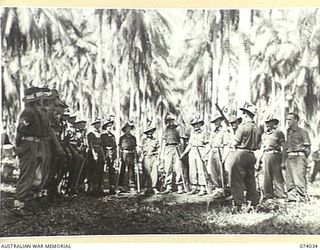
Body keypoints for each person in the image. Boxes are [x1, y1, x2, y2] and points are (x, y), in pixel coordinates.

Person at [14, 87, 43, 211]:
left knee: (33, 174)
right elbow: (20, 129)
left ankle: (26, 201)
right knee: (26, 174)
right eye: (40, 98)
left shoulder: (35, 112)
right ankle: (19, 204)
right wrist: (19, 147)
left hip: (35, 144)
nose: (42, 100)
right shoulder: (29, 112)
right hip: (28, 144)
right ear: (36, 100)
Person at [230, 102, 261, 212]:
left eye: (243, 113)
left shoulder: (242, 127)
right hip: (251, 154)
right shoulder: (257, 128)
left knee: (237, 179)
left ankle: (238, 205)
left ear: (247, 115)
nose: (242, 115)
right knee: (250, 180)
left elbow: (234, 143)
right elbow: (258, 145)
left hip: (241, 153)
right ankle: (253, 204)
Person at [284, 112, 311, 202]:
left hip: (299, 157)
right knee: (289, 179)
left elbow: (307, 147)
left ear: (296, 120)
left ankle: (303, 198)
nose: (288, 121)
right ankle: (292, 199)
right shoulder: (288, 131)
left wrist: (303, 159)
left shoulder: (303, 131)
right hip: (290, 157)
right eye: (287, 119)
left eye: (290, 119)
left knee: (299, 179)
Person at [260, 114, 286, 200]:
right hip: (266, 155)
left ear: (273, 123)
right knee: (266, 177)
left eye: (269, 122)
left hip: (276, 155)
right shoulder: (264, 135)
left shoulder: (278, 133)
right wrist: (258, 161)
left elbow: (284, 147)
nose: (267, 124)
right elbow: (262, 148)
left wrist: (283, 161)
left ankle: (280, 195)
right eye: (266, 122)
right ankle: (268, 196)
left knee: (277, 176)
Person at [180, 115, 207, 196]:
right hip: (192, 151)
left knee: (200, 169)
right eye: (194, 124)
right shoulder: (192, 133)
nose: (196, 126)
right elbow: (190, 144)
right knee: (192, 169)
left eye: (197, 124)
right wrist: (183, 154)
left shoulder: (204, 133)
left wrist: (205, 155)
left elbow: (207, 144)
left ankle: (202, 188)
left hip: (201, 151)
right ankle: (194, 187)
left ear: (200, 124)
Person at [162, 113, 184, 194]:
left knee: (178, 168)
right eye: (169, 120)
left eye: (172, 120)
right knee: (168, 167)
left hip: (176, 148)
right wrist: (162, 153)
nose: (170, 122)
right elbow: (163, 141)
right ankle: (169, 186)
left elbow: (181, 140)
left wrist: (181, 151)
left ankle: (180, 186)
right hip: (168, 148)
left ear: (174, 120)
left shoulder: (178, 128)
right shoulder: (165, 129)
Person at [207, 112, 225, 195]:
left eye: (217, 121)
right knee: (213, 170)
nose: (216, 123)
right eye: (214, 122)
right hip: (213, 150)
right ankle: (217, 188)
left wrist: (224, 155)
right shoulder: (213, 132)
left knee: (220, 170)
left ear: (221, 121)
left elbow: (225, 143)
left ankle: (222, 188)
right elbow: (210, 144)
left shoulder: (224, 130)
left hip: (220, 150)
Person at [118, 121, 138, 194]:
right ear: (125, 130)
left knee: (131, 171)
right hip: (124, 154)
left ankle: (132, 186)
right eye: (127, 129)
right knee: (122, 170)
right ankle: (120, 186)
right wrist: (119, 157)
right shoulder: (121, 138)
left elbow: (135, 148)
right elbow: (120, 148)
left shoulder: (133, 138)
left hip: (131, 154)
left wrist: (136, 157)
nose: (128, 130)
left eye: (129, 128)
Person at [87, 118, 104, 196]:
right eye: (97, 123)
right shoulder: (91, 133)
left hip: (99, 151)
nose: (99, 125)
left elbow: (100, 145)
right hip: (93, 152)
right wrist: (94, 154)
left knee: (99, 169)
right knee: (93, 169)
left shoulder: (99, 133)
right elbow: (90, 145)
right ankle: (91, 188)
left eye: (99, 123)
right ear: (94, 124)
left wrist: (102, 154)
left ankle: (98, 188)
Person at [141, 123, 160, 195]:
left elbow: (158, 150)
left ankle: (154, 188)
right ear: (146, 133)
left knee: (154, 173)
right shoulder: (143, 140)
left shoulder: (155, 140)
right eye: (148, 132)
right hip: (146, 157)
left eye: (151, 131)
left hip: (154, 157)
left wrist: (158, 159)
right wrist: (140, 158)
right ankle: (146, 188)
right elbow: (141, 149)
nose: (150, 133)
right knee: (146, 173)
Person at [101, 116, 117, 195]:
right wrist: (104, 154)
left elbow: (115, 146)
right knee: (103, 170)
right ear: (105, 127)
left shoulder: (113, 136)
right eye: (108, 126)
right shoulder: (103, 135)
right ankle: (101, 187)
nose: (110, 127)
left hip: (112, 154)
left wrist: (115, 156)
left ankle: (112, 187)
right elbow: (101, 145)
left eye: (111, 126)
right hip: (104, 153)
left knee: (112, 170)